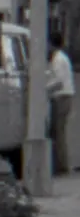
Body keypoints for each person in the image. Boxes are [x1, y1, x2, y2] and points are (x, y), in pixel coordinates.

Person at [47, 40, 74, 175]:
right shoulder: (62, 57)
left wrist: (44, 89)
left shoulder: (57, 60)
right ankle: (60, 164)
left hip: (61, 97)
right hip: (65, 96)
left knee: (58, 131)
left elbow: (59, 81)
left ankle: (61, 166)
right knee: (59, 131)